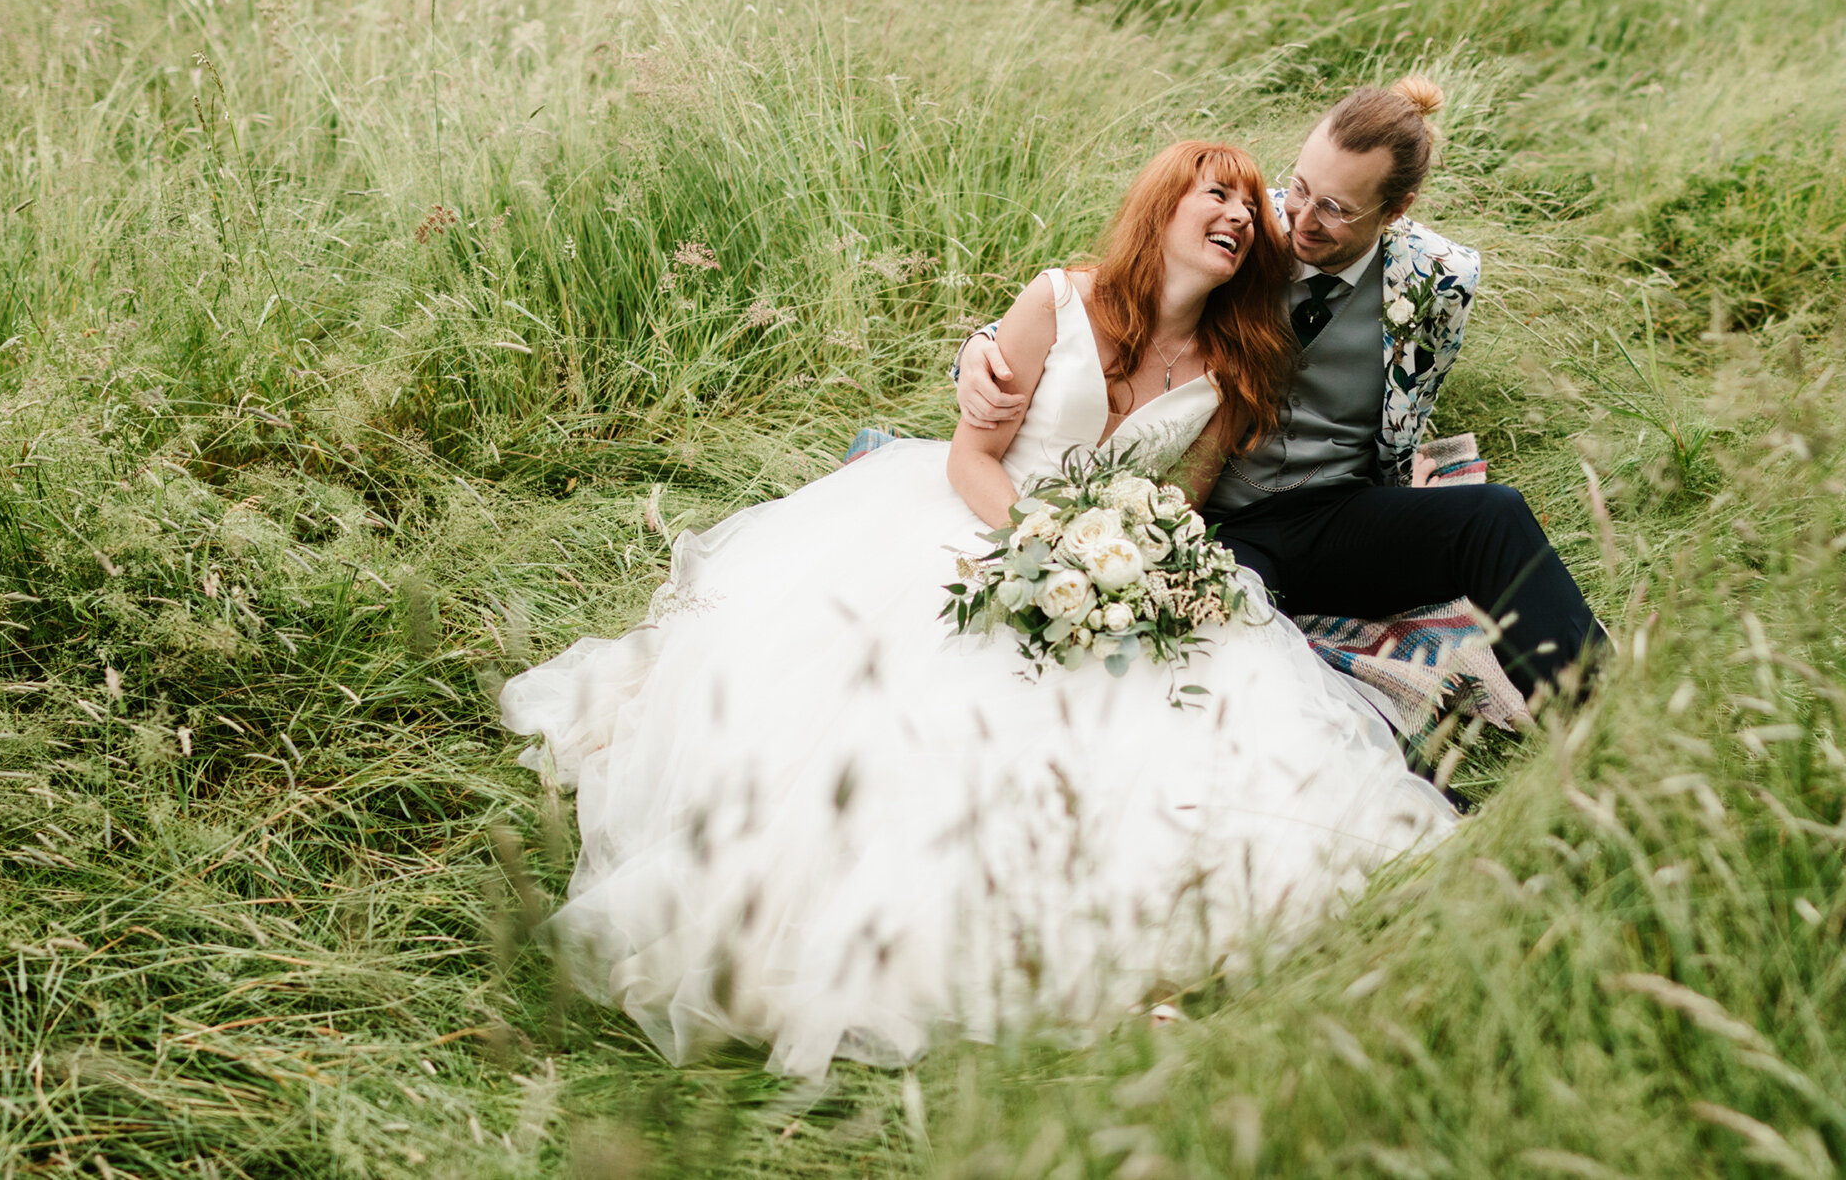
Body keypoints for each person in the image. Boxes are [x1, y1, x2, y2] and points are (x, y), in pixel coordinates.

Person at [499, 141, 1453, 1079]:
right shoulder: (1061, 300)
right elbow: (969, 459)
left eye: (1252, 213)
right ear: (1163, 207)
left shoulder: (1228, 360)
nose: (1242, 218)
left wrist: (1139, 563)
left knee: (1190, 743)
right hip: (972, 526)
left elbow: (1183, 507)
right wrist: (1049, 542)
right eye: (1217, 197)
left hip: (1107, 561)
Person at [958, 79, 1606, 701]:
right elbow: (1112, 297)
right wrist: (980, 348)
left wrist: (1408, 493)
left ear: (1396, 209)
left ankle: (1589, 710)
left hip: (1338, 517)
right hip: (1220, 520)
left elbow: (1412, 403)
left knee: (1494, 515)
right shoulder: (1239, 225)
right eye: (1300, 186)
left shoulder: (1439, 280)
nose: (1302, 216)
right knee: (1222, 640)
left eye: (1336, 208)